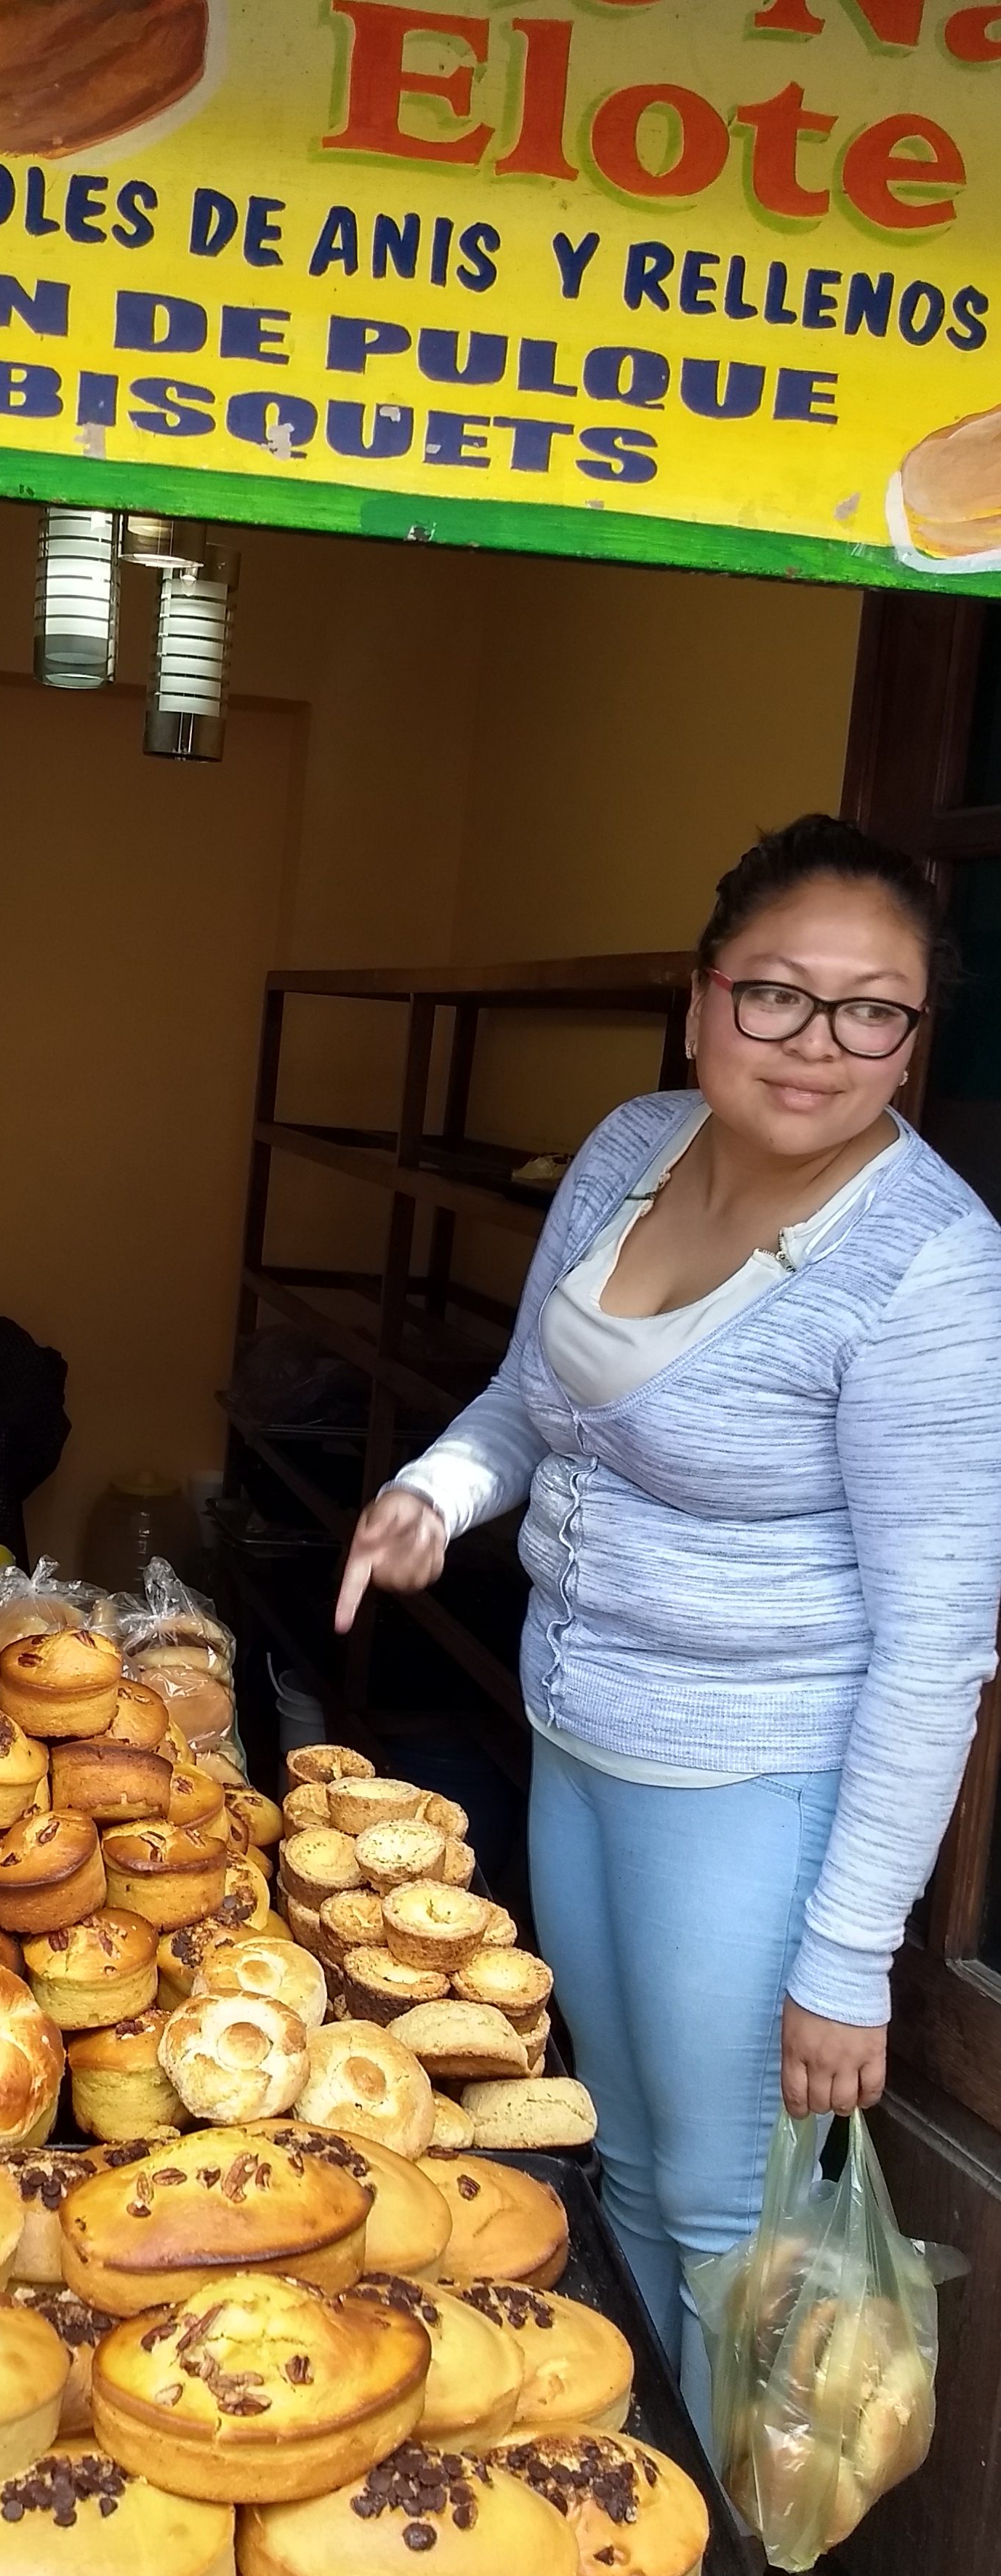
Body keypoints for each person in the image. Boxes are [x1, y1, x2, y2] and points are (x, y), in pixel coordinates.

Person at [334, 814, 1001, 2434]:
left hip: (755, 1785)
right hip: (580, 1733)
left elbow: (938, 1646)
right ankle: (635, 2501)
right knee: (616, 2150)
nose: (818, 1043)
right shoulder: (634, 1144)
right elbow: (526, 1403)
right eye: (777, 993)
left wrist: (846, 1961)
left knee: (721, 2218)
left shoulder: (929, 1270)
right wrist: (437, 1493)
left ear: (913, 1046)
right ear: (705, 1001)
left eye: (872, 1011)